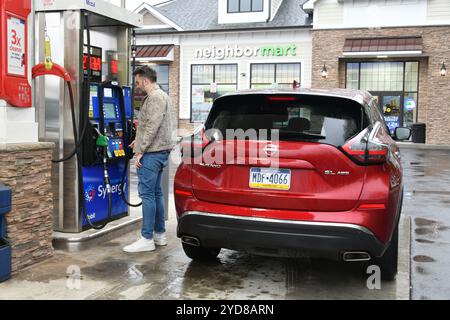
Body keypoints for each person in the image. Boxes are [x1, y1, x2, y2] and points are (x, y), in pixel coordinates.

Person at [123, 66, 176, 253]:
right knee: (156, 194)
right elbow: (154, 126)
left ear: (145, 80)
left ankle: (146, 238)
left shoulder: (154, 97)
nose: (138, 86)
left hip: (152, 153)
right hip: (161, 151)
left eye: (138, 82)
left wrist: (140, 150)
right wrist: (136, 141)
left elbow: (152, 126)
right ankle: (159, 235)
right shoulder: (164, 96)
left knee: (147, 196)